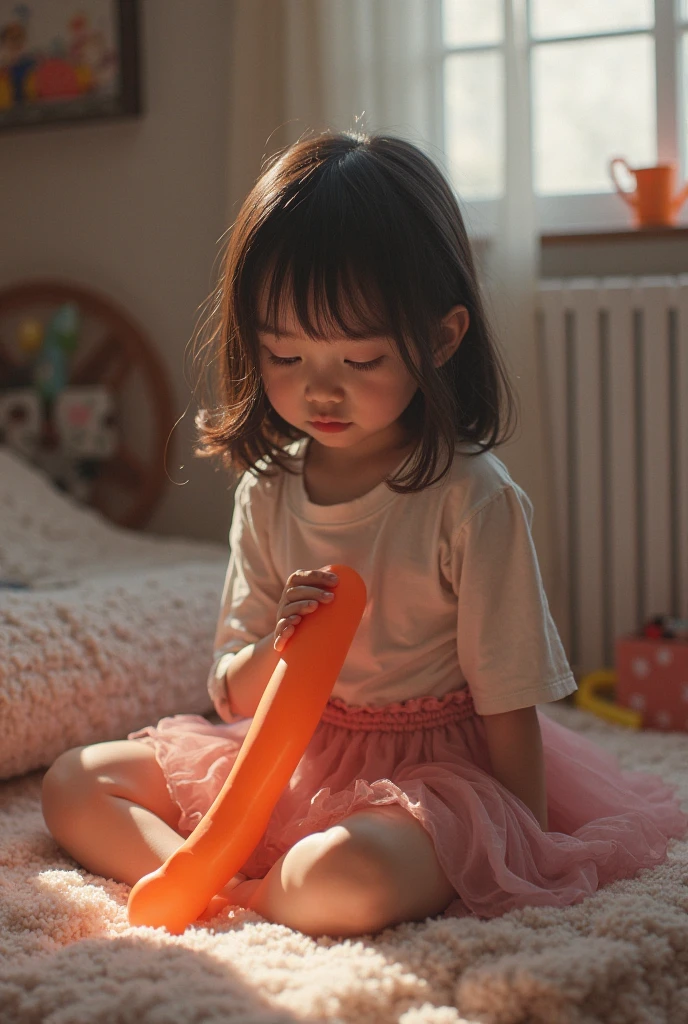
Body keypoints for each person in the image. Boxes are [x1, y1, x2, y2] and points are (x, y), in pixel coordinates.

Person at [41, 131, 687, 938]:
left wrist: (518, 839)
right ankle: (205, 864)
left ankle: (257, 893)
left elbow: (508, 696)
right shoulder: (268, 490)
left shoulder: (471, 496)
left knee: (334, 880)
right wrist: (281, 648)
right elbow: (229, 689)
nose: (320, 388)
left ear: (441, 340)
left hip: (431, 774)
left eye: (361, 359)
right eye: (285, 353)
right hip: (289, 754)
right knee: (74, 782)